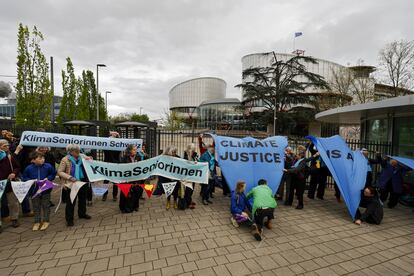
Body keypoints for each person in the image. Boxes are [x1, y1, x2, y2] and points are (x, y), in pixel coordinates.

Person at [58, 144, 91, 227]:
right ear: (70, 152)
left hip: (82, 181)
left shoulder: (82, 156)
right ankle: (69, 219)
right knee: (71, 201)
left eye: (78, 150)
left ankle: (82, 214)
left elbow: (90, 162)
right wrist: (70, 177)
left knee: (82, 199)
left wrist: (90, 159)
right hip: (71, 182)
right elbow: (60, 172)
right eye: (75, 150)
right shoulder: (65, 159)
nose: (77, 152)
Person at [22, 151, 56, 231]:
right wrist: (32, 180)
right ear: (33, 160)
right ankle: (37, 221)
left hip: (46, 189)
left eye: (43, 158)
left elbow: (53, 174)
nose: (42, 159)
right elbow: (24, 178)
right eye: (40, 158)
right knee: (36, 206)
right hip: (34, 191)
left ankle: (46, 220)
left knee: (46, 205)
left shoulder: (48, 166)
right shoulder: (28, 168)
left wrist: (48, 178)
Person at [0, 139, 21, 230]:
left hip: (9, 183)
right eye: (4, 146)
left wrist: (14, 173)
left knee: (13, 201)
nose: (7, 147)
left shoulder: (9, 156)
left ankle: (14, 218)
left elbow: (17, 167)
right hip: (0, 183)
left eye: (8, 145)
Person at [119, 144, 143, 213]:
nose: (135, 151)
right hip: (127, 179)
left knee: (136, 191)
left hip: (136, 178)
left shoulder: (138, 156)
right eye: (134, 149)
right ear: (130, 150)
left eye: (136, 149)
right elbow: (121, 167)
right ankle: (123, 207)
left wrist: (144, 155)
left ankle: (136, 206)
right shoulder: (125, 158)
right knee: (125, 192)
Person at [102, 131, 121, 202]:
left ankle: (115, 195)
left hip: (115, 164)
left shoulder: (118, 146)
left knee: (115, 181)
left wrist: (118, 136)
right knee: (106, 180)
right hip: (107, 164)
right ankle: (104, 194)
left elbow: (122, 145)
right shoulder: (106, 146)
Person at [183, 143, 198, 209]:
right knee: (188, 189)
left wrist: (196, 161)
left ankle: (189, 200)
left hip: (193, 175)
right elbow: (185, 164)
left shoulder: (194, 155)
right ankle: (187, 202)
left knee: (192, 188)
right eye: (193, 149)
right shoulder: (186, 155)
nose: (194, 150)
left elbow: (197, 160)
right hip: (188, 176)